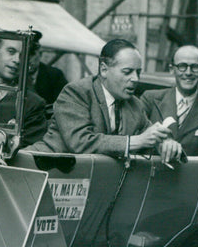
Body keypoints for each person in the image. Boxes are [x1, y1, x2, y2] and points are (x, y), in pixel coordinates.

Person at [32, 39, 182, 162]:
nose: (135, 79)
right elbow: (80, 142)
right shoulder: (76, 93)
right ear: (104, 69)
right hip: (45, 168)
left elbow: (149, 135)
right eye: (127, 72)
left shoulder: (134, 104)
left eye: (138, 72)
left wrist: (165, 144)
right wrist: (135, 141)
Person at [141, 44, 198, 156]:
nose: (188, 73)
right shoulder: (150, 99)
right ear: (172, 69)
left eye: (195, 67)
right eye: (182, 66)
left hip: (190, 173)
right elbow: (136, 136)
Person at [27, 31, 67, 106]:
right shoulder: (14, 74)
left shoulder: (55, 76)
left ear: (40, 54)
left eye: (32, 54)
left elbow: (64, 103)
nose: (27, 59)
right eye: (23, 54)